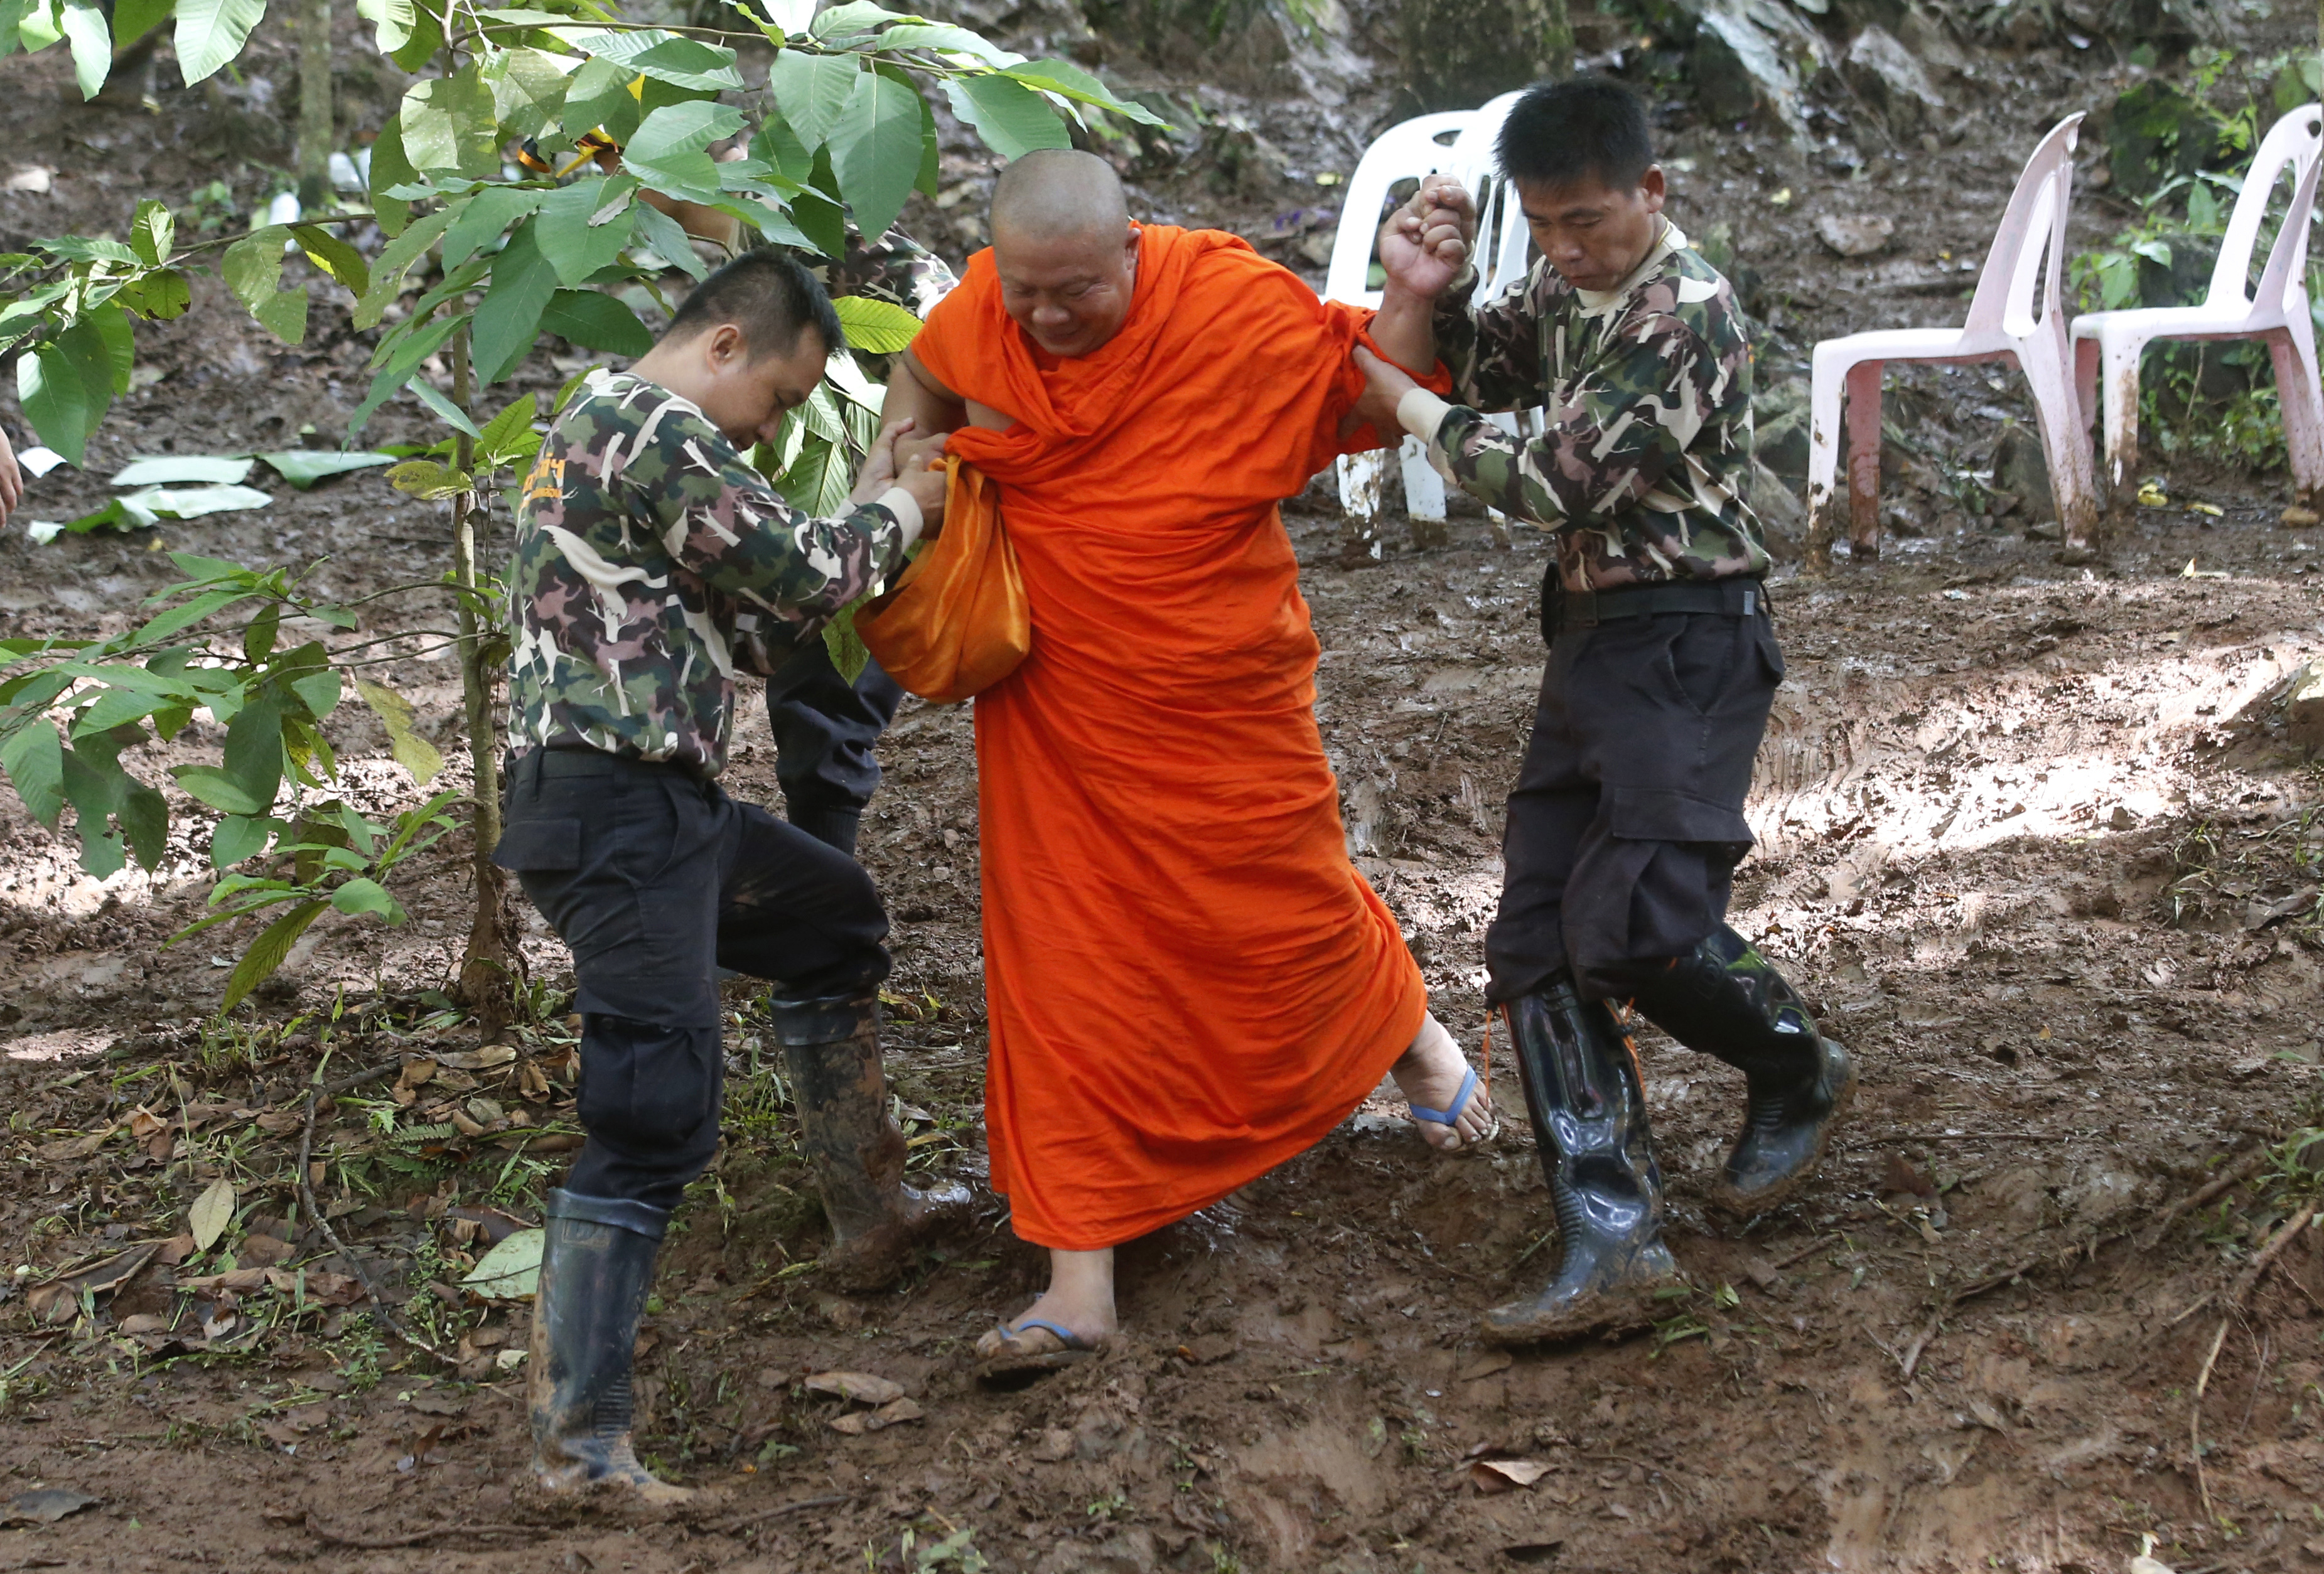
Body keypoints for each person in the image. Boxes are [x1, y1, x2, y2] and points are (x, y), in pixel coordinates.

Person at [878, 148, 1497, 1375]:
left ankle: (1416, 1038)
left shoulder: (1225, 305)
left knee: (1284, 903)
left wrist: (1413, 293)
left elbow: (1367, 391)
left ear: (1130, 252)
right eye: (1026, 296)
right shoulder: (984, 318)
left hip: (1216, 681)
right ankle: (1077, 1276)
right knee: (1061, 961)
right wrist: (894, 456)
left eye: (1077, 293)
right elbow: (926, 366)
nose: (1048, 320)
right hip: (1059, 693)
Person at [1355, 77, 1855, 1344]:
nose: (1569, 247)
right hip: (1589, 643)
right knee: (1533, 939)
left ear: (1651, 193)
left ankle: (1794, 1060)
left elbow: (1554, 480)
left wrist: (1406, 403)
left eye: (1589, 221)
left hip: (1688, 640)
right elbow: (1482, 350)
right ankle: (1614, 1233)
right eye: (1547, 226)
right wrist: (1421, 282)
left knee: (1632, 926)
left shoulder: (1683, 310)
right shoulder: (1567, 291)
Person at [494, 249, 966, 1500]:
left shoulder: (606, 441)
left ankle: (871, 1219)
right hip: (615, 809)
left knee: (830, 916)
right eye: (774, 400)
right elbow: (813, 575)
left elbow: (769, 623)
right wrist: (906, 504)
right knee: (652, 1112)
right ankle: (580, 1445)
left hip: (650, 808)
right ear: (722, 348)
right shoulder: (648, 424)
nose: (770, 431)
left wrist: (869, 505)